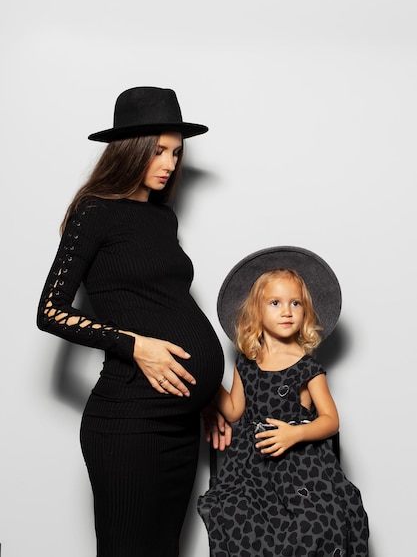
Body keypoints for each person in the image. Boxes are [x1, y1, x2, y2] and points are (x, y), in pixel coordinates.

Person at [37, 86, 231, 557]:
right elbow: (50, 311)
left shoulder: (161, 219)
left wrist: (204, 395)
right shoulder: (95, 212)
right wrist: (133, 344)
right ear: (131, 150)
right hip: (129, 422)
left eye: (176, 152)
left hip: (182, 421)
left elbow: (167, 302)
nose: (169, 163)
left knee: (165, 548)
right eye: (159, 151)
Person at [198, 246, 369, 556]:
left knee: (314, 526)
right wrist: (206, 380)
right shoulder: (246, 362)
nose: (287, 311)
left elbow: (331, 420)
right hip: (251, 468)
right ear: (256, 312)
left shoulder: (306, 366)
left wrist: (296, 433)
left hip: (301, 468)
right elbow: (235, 411)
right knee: (241, 521)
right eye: (275, 303)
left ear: (306, 311)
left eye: (295, 303)